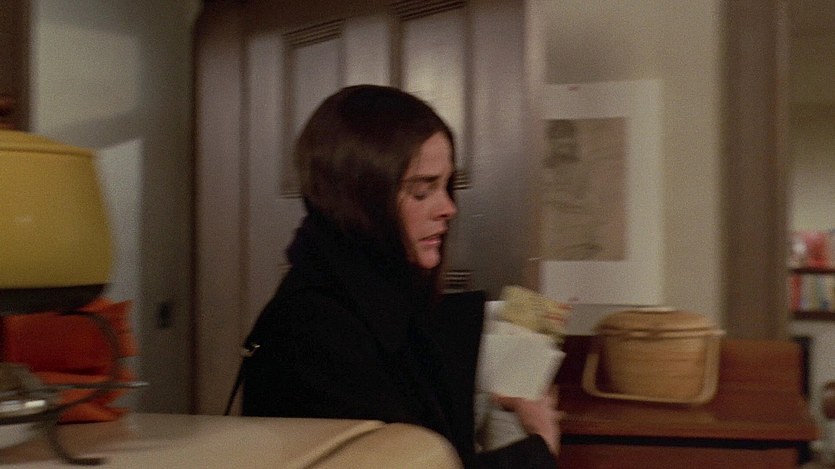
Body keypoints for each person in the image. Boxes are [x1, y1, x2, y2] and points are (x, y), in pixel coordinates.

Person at [239, 84, 560, 468]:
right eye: (422, 191)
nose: (449, 208)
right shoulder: (313, 329)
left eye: (446, 186)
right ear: (360, 199)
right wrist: (539, 448)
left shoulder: (376, 301)